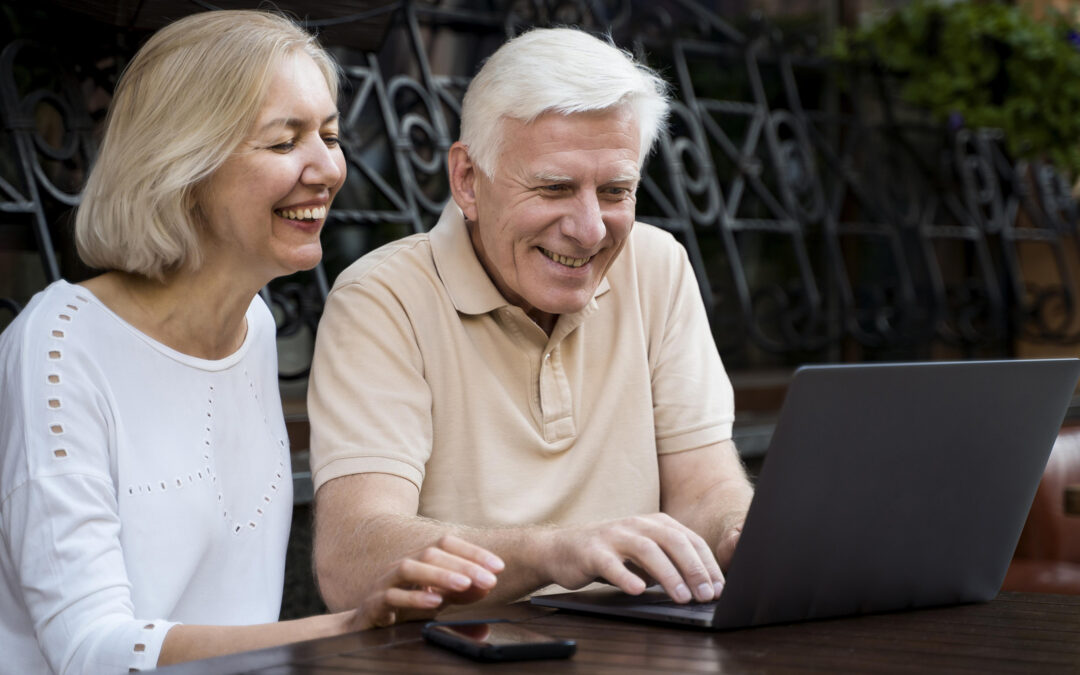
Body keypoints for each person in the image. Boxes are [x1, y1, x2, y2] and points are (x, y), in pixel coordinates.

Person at [0, 10, 503, 674]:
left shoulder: (255, 325)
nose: (328, 167)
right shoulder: (59, 343)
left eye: (329, 134)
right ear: (184, 163)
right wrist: (346, 628)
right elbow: (90, 649)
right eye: (282, 141)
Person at [308, 27, 754, 614]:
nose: (591, 229)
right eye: (555, 187)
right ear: (467, 180)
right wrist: (554, 554)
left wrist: (741, 534)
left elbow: (707, 489)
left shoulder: (657, 263)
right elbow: (351, 560)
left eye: (616, 190)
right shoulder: (383, 296)